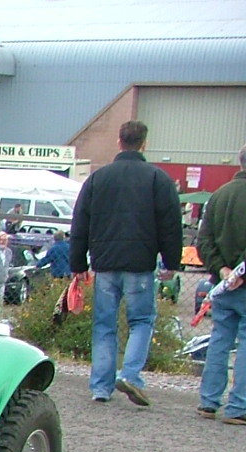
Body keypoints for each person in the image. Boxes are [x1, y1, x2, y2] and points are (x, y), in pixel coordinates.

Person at [70, 119, 182, 405]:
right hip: (140, 263)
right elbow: (170, 224)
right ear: (144, 144)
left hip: (105, 263)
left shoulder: (97, 178)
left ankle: (100, 387)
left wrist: (78, 264)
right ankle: (130, 375)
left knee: (104, 324)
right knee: (141, 321)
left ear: (119, 142)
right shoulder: (158, 179)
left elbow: (80, 222)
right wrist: (171, 261)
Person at [194, 143, 246, 425]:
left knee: (220, 340)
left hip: (222, 283)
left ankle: (208, 401)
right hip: (241, 283)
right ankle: (238, 406)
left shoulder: (218, 196)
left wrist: (223, 270)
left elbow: (203, 241)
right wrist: (240, 273)